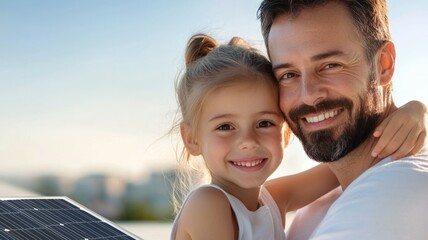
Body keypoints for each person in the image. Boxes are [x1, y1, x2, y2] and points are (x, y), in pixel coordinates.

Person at [169, 33, 426, 240]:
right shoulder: (208, 204)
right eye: (225, 126)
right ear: (191, 139)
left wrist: (416, 111)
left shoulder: (273, 199)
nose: (247, 140)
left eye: (264, 123)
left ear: (286, 132)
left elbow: (357, 158)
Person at [258, 0, 428, 239]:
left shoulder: (389, 195)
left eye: (330, 65)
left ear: (383, 65)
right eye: (289, 74)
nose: (308, 94)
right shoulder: (323, 200)